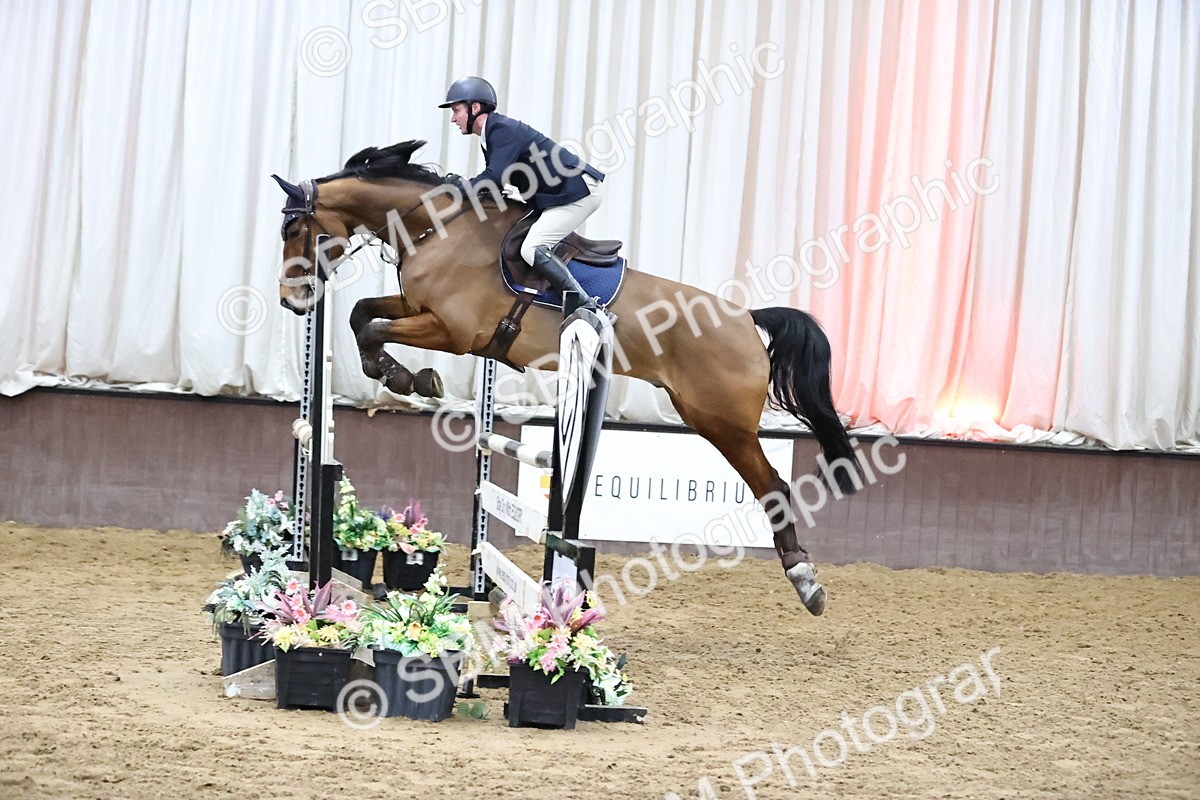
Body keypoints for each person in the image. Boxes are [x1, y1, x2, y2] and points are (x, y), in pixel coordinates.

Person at [439, 76, 605, 310]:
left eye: (456, 110)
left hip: (580, 191)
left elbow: (494, 177)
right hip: (562, 193)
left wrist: (463, 187)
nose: (453, 118)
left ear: (475, 107)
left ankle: (584, 303)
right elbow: (497, 185)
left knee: (532, 248)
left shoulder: (501, 130)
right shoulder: (492, 134)